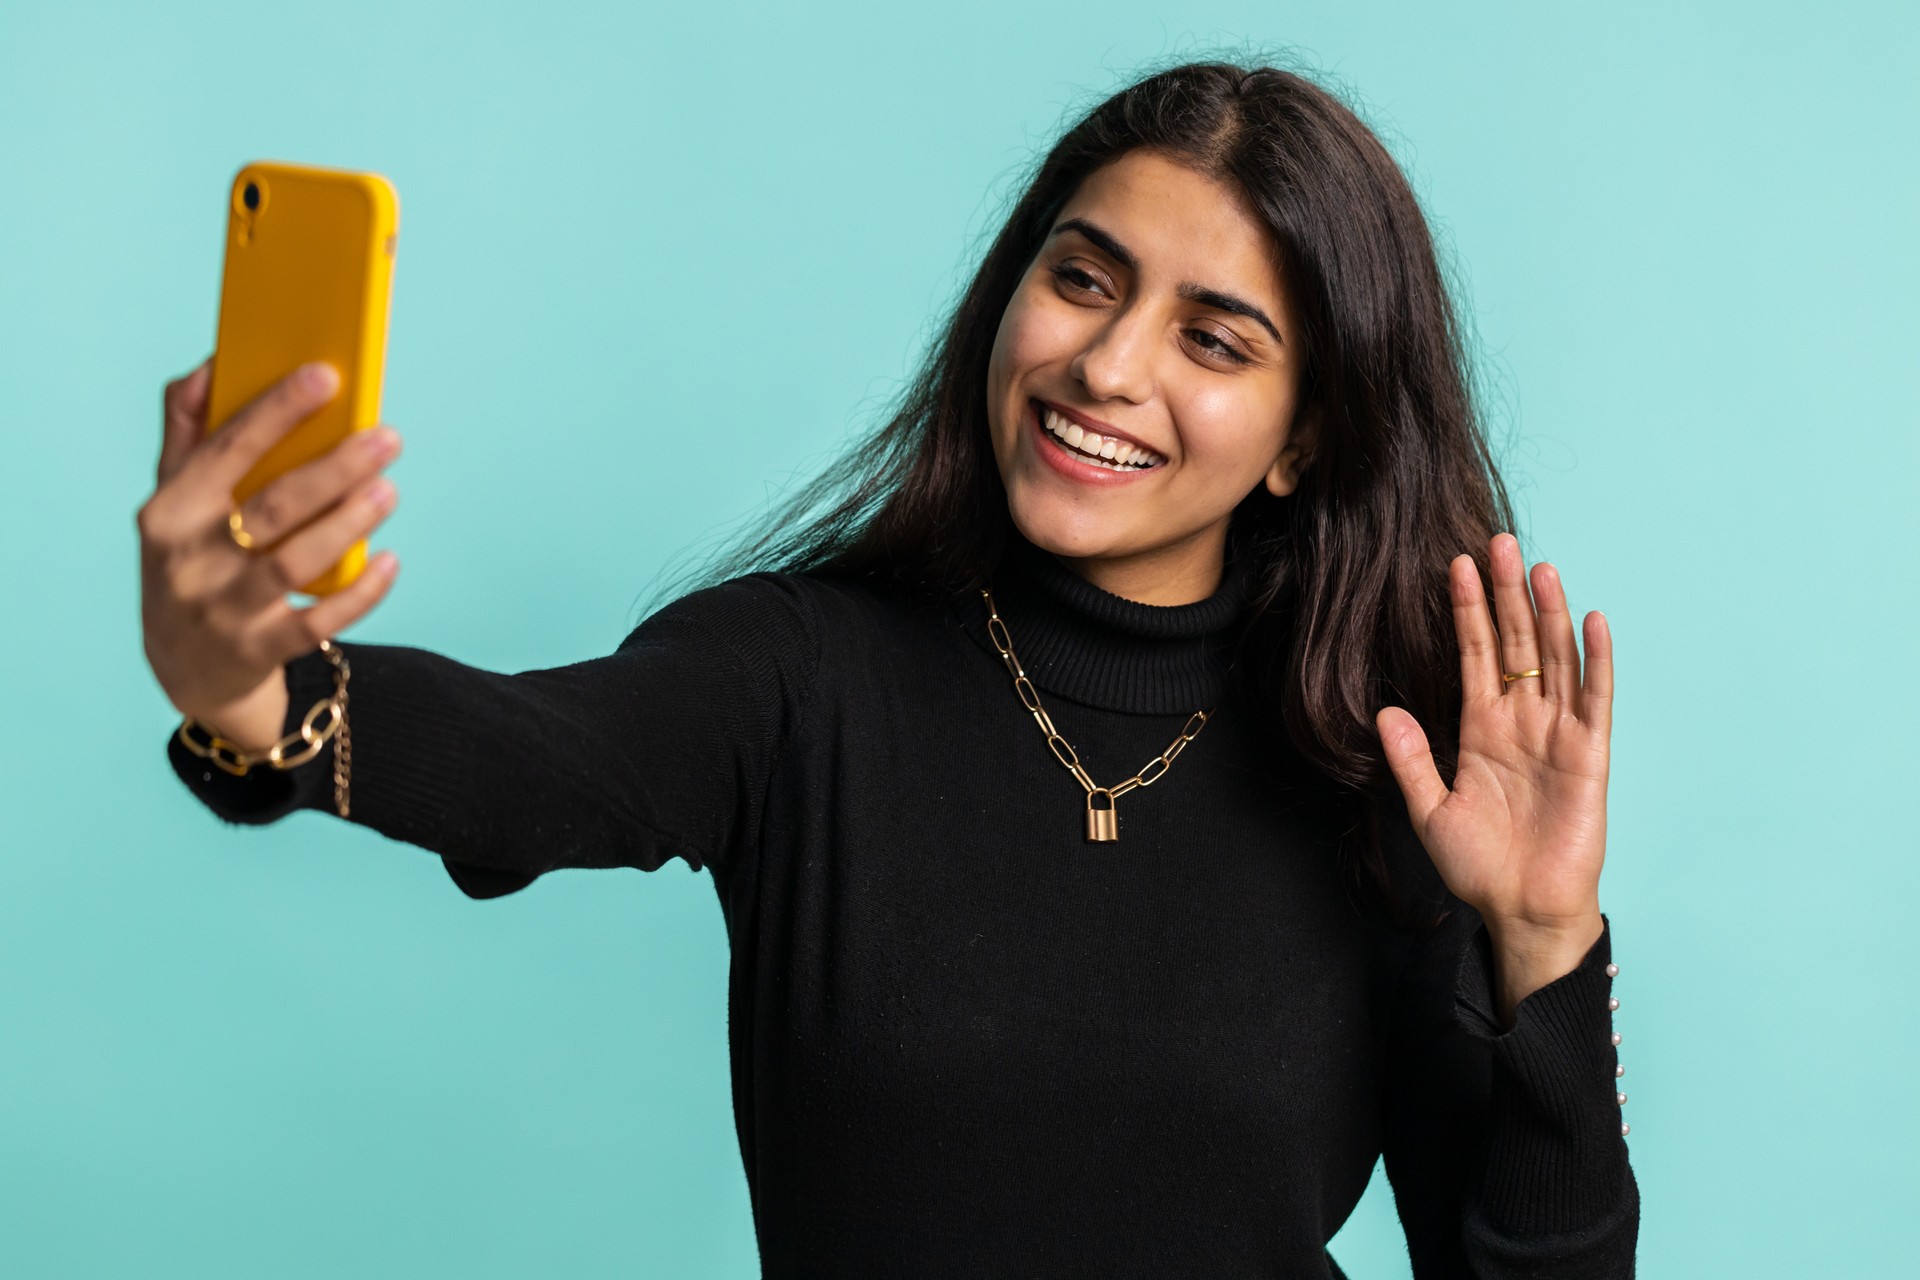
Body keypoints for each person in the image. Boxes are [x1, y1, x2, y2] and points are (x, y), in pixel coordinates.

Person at [139, 59, 1638, 1279]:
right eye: (1085, 278)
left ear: (1306, 439)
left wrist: (1542, 943)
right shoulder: (803, 675)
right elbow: (536, 762)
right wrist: (250, 684)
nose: (1110, 368)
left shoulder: (1385, 785)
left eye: (1217, 341)